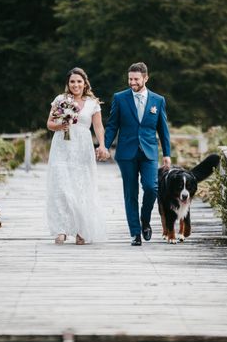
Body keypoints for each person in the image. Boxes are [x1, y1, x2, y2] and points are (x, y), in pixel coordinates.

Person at [99, 62, 171, 246]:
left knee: (151, 187)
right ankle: (135, 233)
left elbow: (163, 130)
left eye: (136, 79)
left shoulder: (158, 100)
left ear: (146, 78)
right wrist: (105, 146)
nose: (132, 82)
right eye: (130, 79)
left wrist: (167, 154)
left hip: (149, 152)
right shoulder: (120, 98)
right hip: (126, 152)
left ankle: (145, 220)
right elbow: (112, 125)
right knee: (130, 193)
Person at [46, 67, 108, 244]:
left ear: (85, 83)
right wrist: (61, 126)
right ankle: (62, 229)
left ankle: (81, 230)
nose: (75, 85)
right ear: (68, 83)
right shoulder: (61, 99)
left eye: (79, 81)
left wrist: (102, 145)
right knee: (61, 187)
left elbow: (98, 127)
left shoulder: (92, 102)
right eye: (72, 81)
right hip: (61, 147)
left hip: (82, 147)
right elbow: (50, 123)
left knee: (82, 187)